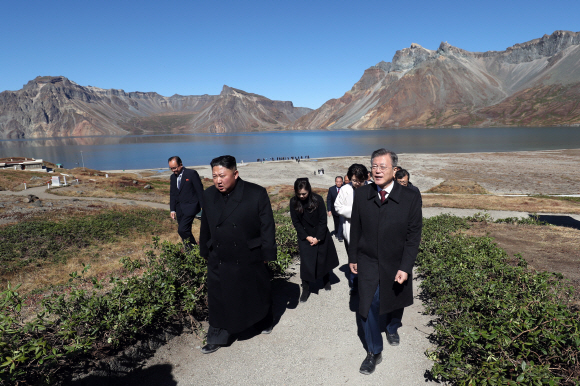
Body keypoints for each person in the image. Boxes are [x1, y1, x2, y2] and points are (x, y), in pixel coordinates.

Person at [348, 148, 422, 375]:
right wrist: (353, 257)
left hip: (396, 261)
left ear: (395, 169)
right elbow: (356, 228)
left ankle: (392, 327)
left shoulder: (409, 197)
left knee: (394, 298)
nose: (377, 171)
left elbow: (413, 236)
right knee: (367, 303)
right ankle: (374, 351)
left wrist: (406, 266)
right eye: (374, 166)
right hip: (368, 259)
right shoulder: (362, 195)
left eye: (383, 166)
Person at [199, 155, 276, 354]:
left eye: (222, 175)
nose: (218, 180)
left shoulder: (256, 193)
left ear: (235, 173)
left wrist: (267, 252)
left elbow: (267, 227)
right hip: (219, 255)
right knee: (218, 297)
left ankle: (263, 320)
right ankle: (218, 335)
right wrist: (205, 249)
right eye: (214, 176)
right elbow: (205, 225)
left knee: (254, 292)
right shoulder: (208, 195)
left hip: (248, 254)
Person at [290, 178, 339, 303]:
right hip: (305, 236)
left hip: (320, 234)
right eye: (299, 194)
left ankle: (326, 279)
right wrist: (307, 237)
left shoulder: (317, 199)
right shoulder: (293, 202)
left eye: (304, 194)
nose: (301, 196)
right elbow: (296, 222)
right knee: (306, 263)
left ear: (309, 190)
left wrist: (318, 238)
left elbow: (323, 220)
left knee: (323, 259)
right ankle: (306, 288)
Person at [334, 164, 369, 295]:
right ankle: (354, 283)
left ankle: (366, 283)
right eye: (354, 180)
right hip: (350, 228)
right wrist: (355, 212)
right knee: (352, 256)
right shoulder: (344, 189)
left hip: (367, 230)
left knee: (367, 258)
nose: (357, 183)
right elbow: (338, 207)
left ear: (365, 178)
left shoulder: (370, 188)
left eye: (360, 181)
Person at [168, 156, 204, 249]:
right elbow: (173, 194)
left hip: (191, 207)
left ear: (181, 164)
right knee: (185, 232)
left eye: (174, 168)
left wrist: (204, 207)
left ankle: (194, 249)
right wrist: (172, 210)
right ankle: (190, 253)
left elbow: (200, 191)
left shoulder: (191, 174)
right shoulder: (173, 177)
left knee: (182, 230)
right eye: (171, 168)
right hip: (179, 209)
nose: (173, 170)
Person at [326, 176, 344, 241]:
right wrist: (329, 210)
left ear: (342, 182)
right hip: (334, 209)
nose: (338, 183)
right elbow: (329, 200)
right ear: (335, 182)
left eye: (340, 182)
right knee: (336, 222)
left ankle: (340, 236)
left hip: (342, 209)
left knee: (342, 222)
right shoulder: (331, 189)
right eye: (337, 182)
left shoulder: (345, 188)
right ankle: (337, 233)